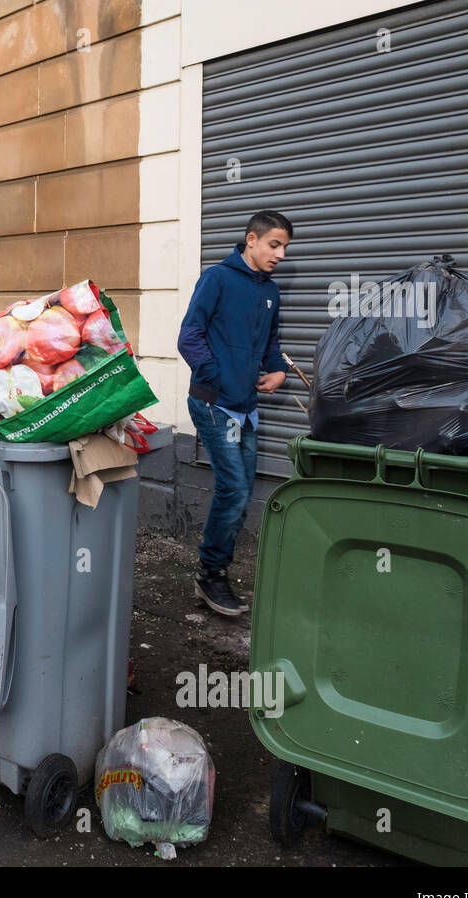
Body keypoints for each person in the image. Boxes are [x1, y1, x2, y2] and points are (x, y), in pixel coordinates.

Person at [176, 210, 292, 617]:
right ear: (251, 240)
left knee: (239, 494)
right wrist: (218, 377)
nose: (279, 254)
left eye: (285, 248)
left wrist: (277, 369)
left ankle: (214, 569)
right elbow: (189, 335)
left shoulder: (271, 291)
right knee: (236, 489)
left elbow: (271, 342)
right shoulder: (217, 279)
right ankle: (211, 574)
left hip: (246, 408)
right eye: (274, 245)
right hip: (214, 403)